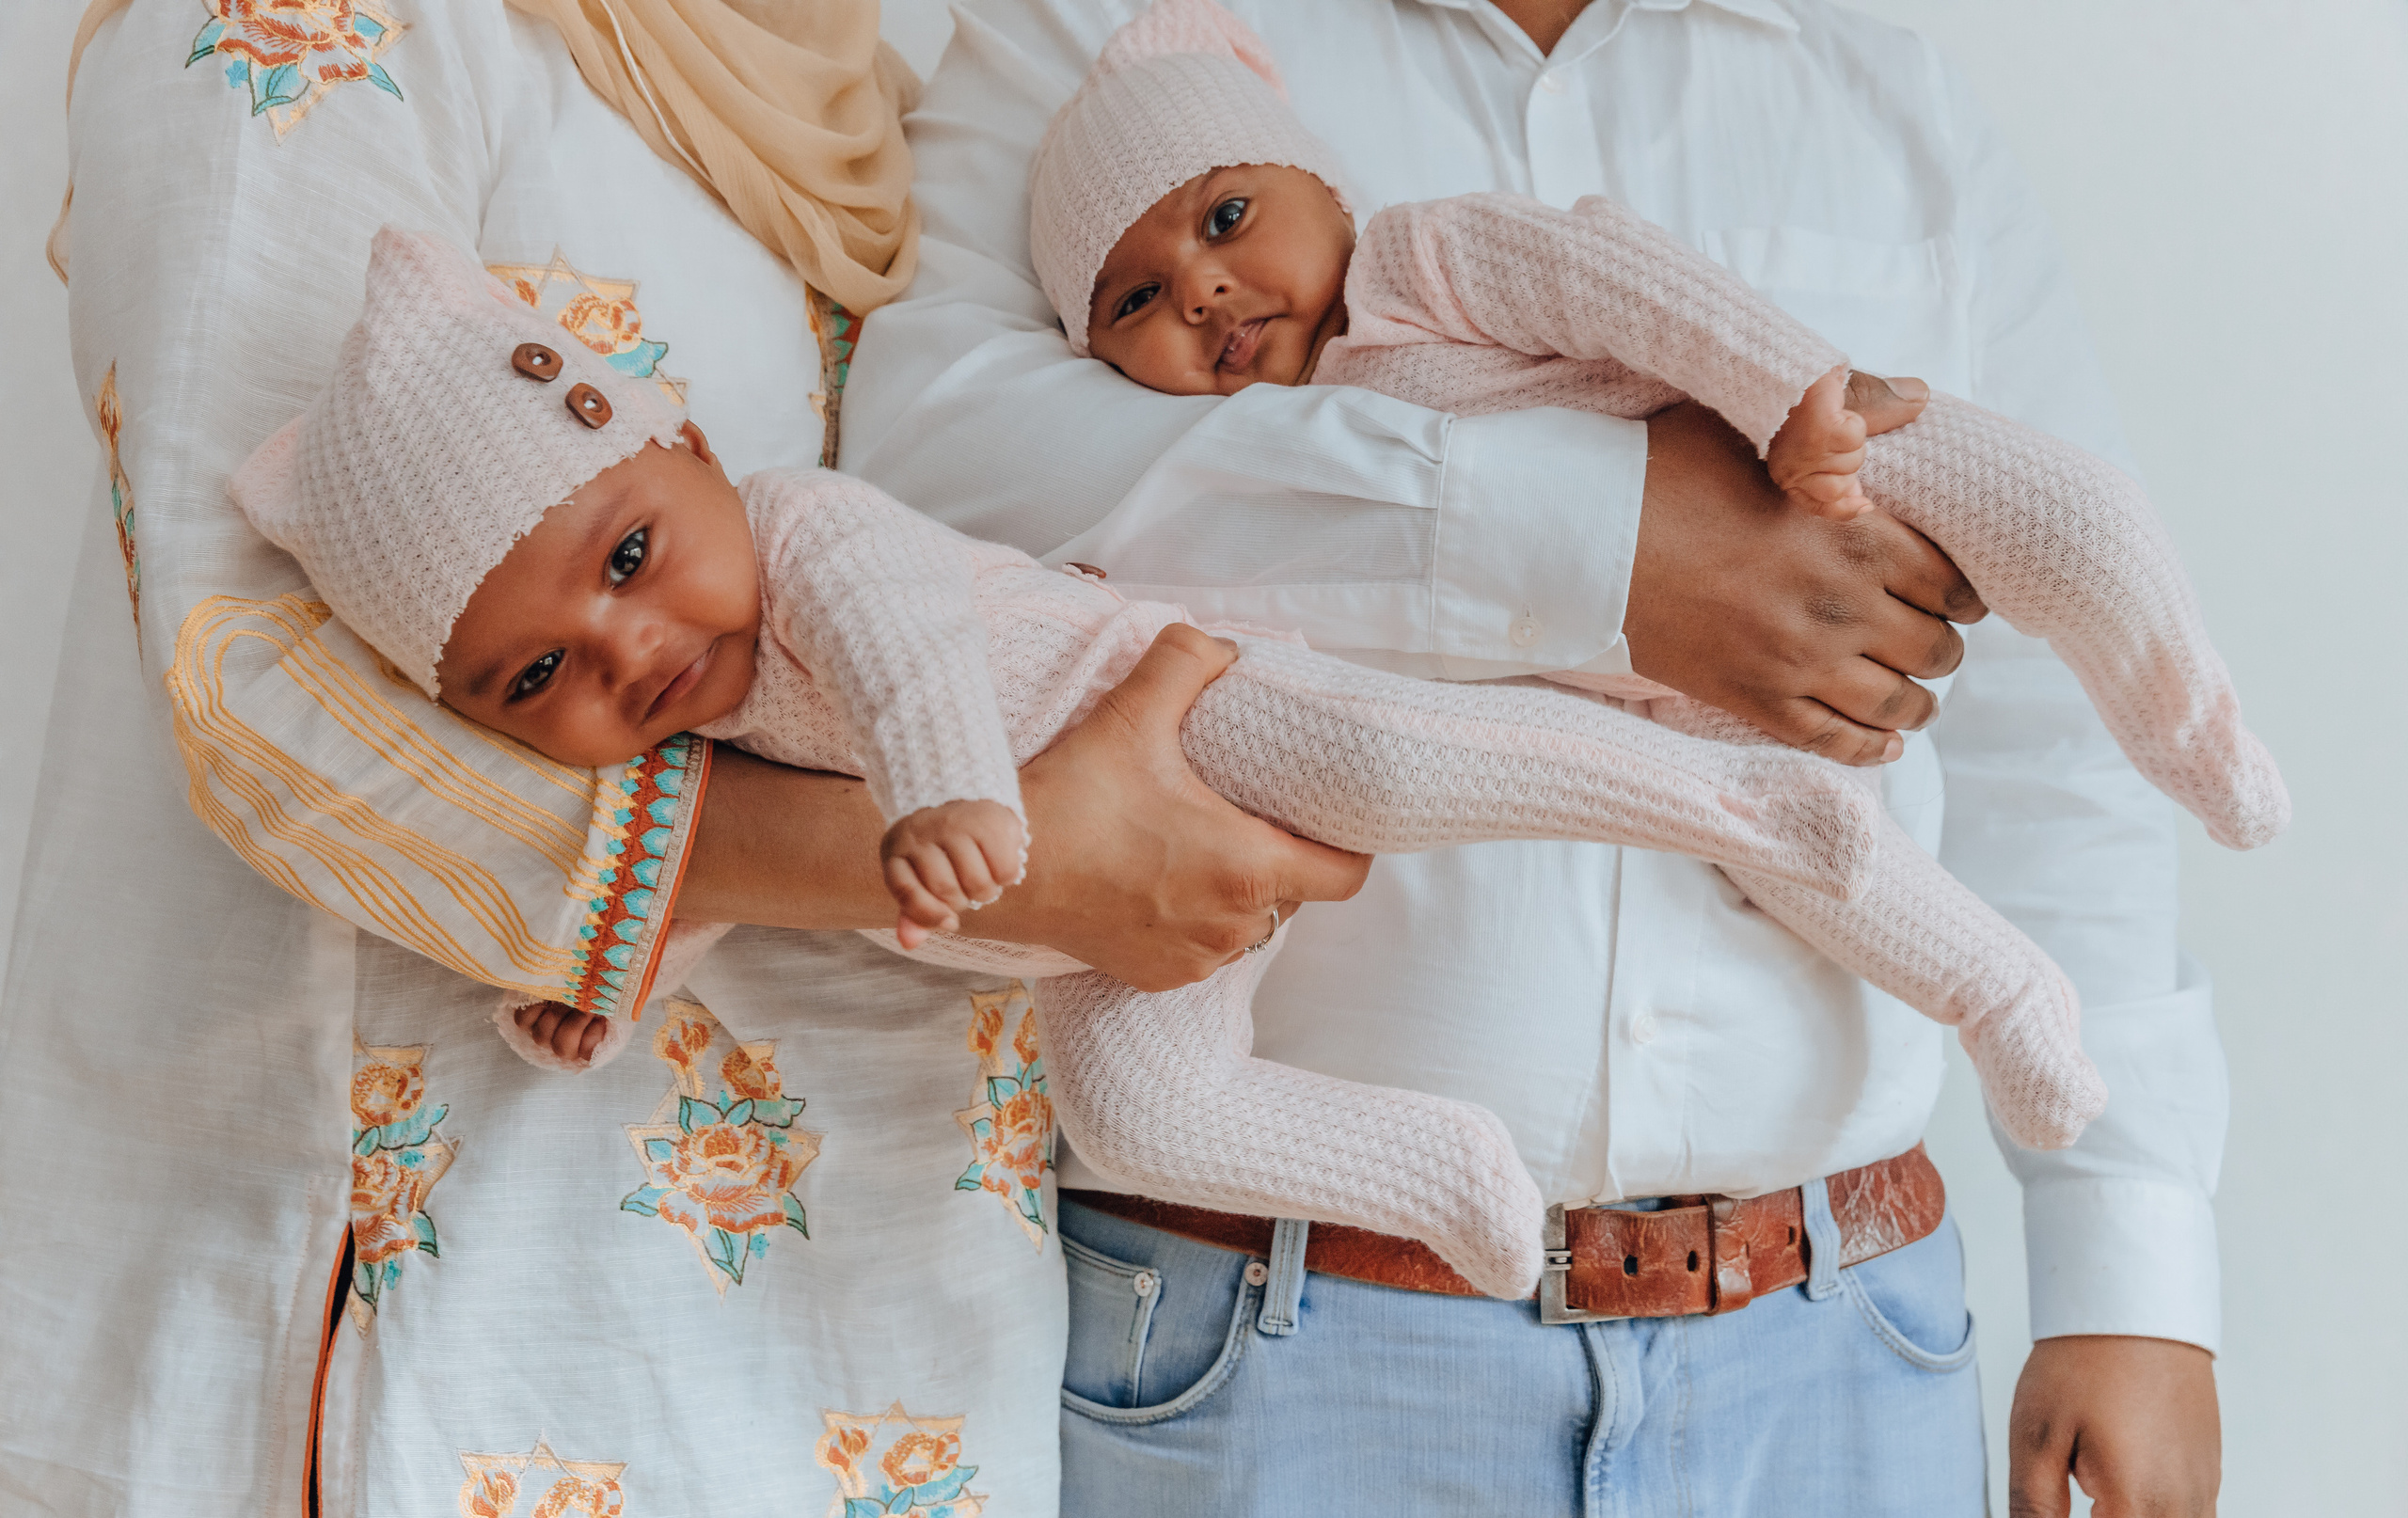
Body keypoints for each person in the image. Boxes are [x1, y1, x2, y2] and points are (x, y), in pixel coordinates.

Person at [842, 0, 2228, 1511]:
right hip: (1281, 1343)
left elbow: (2039, 712)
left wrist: (2130, 1257)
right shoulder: (1094, 30)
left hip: (1840, 1334)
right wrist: (1611, 542)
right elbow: (935, 474)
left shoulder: (1875, 85)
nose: (1209, 285)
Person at [11, 0, 1370, 1507]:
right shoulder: (321, 29)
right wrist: (993, 857)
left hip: (901, 1306)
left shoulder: (883, 112)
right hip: (477, 1302)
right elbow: (259, 689)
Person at [235, 223, 1892, 1296]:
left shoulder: (803, 528)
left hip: (1168, 705)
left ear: (685, 450)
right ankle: (1455, 1172)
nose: (632, 646)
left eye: (629, 558)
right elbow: (726, 873)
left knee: (1390, 761)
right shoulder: (703, 720)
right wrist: (621, 984)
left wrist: (959, 791)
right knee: (1137, 1098)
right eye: (544, 678)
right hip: (1100, 917)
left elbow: (910, 654)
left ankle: (1734, 800)